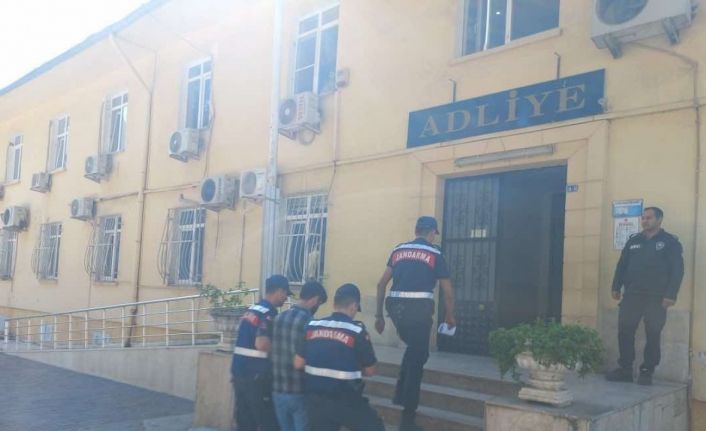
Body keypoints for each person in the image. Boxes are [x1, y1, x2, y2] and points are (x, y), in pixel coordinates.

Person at [374, 216, 456, 431]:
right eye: (434, 234)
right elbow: (447, 291)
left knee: (414, 351)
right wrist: (450, 315)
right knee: (418, 360)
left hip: (396, 309)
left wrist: (379, 316)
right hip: (419, 312)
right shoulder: (435, 253)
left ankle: (400, 394)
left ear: (416, 230)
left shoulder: (398, 250)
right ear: (432, 233)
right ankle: (407, 419)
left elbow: (381, 284)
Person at [606, 207, 684, 386]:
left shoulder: (670, 242)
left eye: (649, 218)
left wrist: (671, 295)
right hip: (632, 295)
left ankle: (647, 371)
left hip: (657, 298)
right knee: (625, 331)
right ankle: (625, 369)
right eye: (643, 218)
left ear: (659, 219)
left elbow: (677, 270)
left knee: (653, 333)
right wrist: (616, 286)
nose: (645, 221)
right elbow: (622, 265)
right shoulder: (634, 240)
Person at [294, 283, 385, 431]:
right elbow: (371, 370)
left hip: (314, 400)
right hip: (346, 399)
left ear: (334, 304)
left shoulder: (312, 326)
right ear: (354, 306)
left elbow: (298, 363)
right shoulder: (356, 331)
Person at [231, 274, 292, 431]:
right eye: (286, 294)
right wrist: (282, 353)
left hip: (239, 372)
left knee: (245, 422)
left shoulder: (252, 310)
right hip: (256, 376)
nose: (286, 298)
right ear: (279, 291)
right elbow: (262, 344)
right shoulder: (268, 314)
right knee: (268, 422)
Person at [271, 281, 328, 431]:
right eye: (319, 303)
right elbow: (313, 358)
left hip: (278, 389)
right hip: (300, 390)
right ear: (315, 300)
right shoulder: (310, 324)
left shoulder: (278, 318)